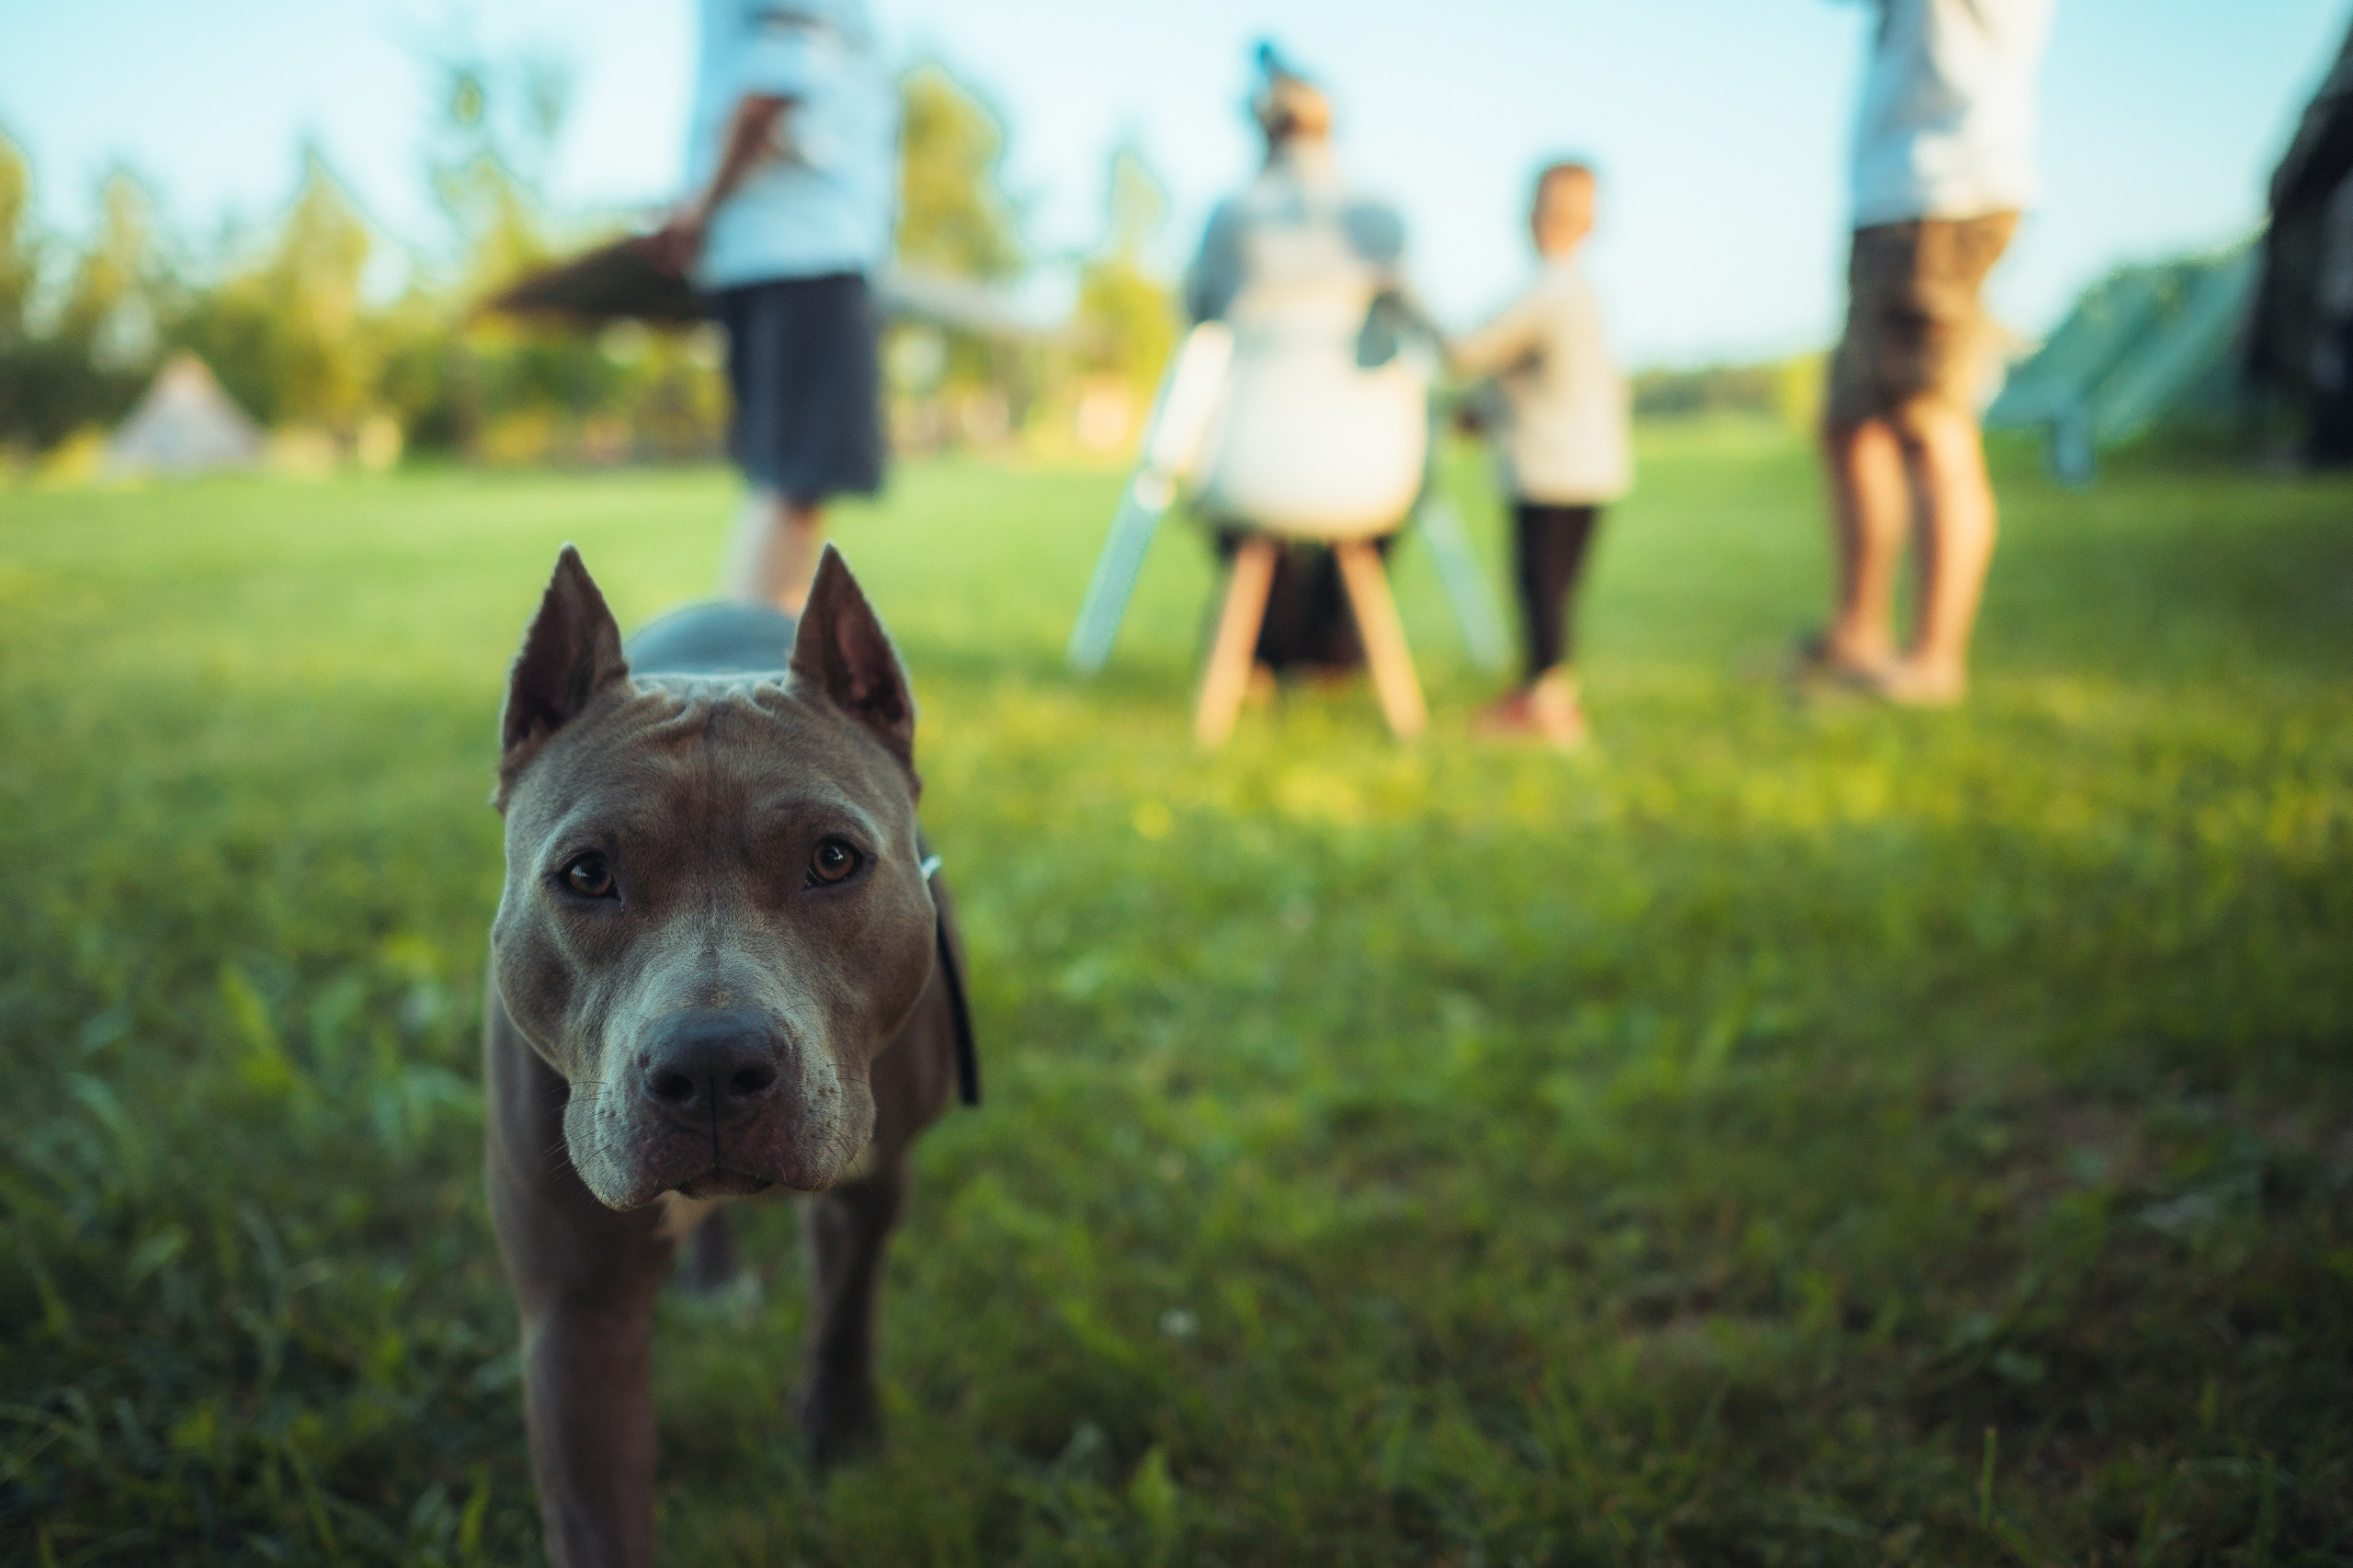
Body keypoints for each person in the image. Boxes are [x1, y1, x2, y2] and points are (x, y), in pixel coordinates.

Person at [1803, 0, 2055, 706]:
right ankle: (1857, 634)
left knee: (1928, 420)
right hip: (1890, 194)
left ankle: (1932, 661)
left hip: (1947, 185)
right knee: (1850, 423)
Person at [654, 0, 897, 616]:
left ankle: (764, 672)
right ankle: (740, 689)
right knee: (791, 484)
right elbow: (773, 84)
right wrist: (699, 208)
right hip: (805, 243)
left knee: (786, 483)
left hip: (763, 245)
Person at [1183, 49, 1415, 682]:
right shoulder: (1383, 218)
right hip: (1373, 471)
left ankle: (1272, 647)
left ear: (1263, 130)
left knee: (1236, 497)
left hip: (1250, 466)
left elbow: (1199, 317)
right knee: (1396, 489)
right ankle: (1334, 643)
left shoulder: (1231, 217)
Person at [1448, 163, 1631, 748]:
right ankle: (1539, 689)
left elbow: (1471, 352)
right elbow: (1534, 376)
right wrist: (1480, 413)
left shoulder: (1546, 290)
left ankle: (1550, 708)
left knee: (1540, 587)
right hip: (1594, 467)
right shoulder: (1580, 291)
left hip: (1553, 469)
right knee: (1552, 589)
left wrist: (1405, 303)